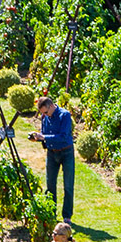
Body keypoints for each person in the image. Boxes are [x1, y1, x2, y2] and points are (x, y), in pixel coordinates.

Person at [30, 94, 75, 222]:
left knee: (68, 185)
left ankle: (67, 216)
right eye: (43, 113)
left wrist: (44, 138)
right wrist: (37, 138)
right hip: (52, 153)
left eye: (46, 112)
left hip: (66, 152)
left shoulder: (64, 115)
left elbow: (63, 136)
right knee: (50, 184)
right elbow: (45, 134)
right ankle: (51, 213)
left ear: (50, 106)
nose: (45, 115)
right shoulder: (45, 117)